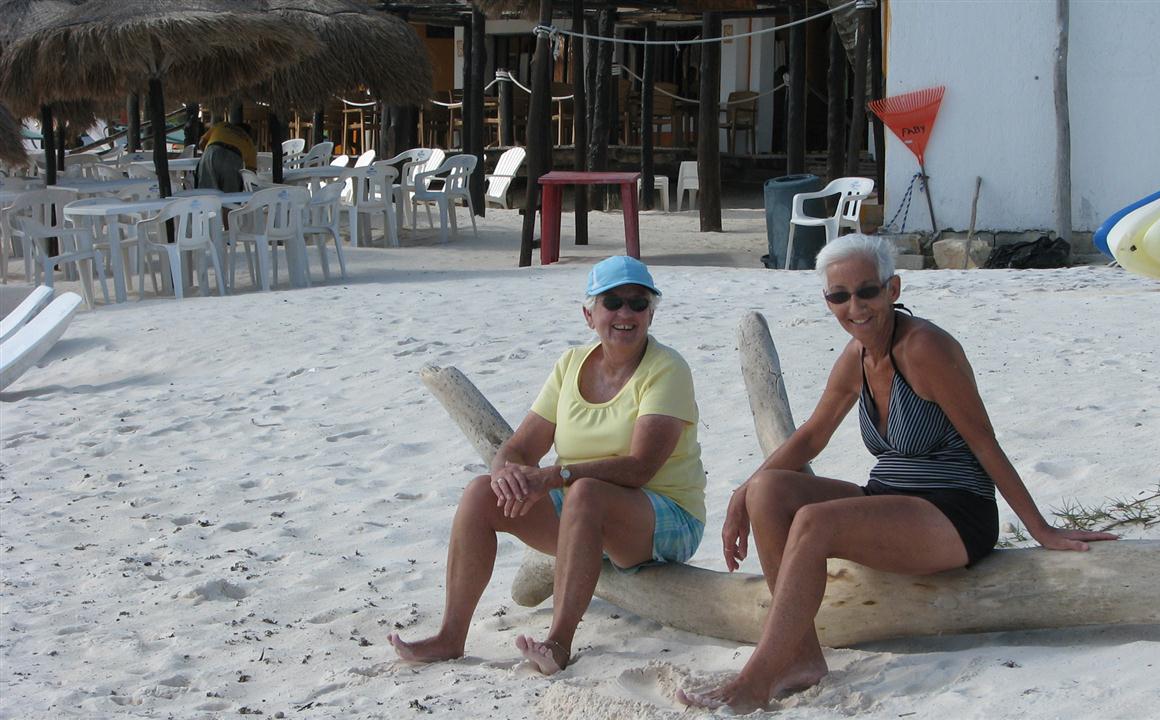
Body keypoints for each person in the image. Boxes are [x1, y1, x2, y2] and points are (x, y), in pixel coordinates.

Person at [679, 234, 1117, 713]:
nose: (855, 307)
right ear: (827, 300)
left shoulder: (924, 347)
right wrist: (741, 495)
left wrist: (1041, 529)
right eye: (839, 296)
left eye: (866, 291)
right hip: (889, 499)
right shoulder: (857, 356)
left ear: (893, 289)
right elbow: (813, 435)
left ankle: (755, 680)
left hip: (955, 512)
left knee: (814, 521)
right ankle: (800, 658)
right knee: (767, 491)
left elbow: (984, 441)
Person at [388, 256, 706, 674]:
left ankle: (558, 642)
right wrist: (506, 473)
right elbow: (520, 447)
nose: (626, 313)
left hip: (666, 516)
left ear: (651, 313)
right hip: (583, 512)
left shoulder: (667, 368)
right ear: (589, 315)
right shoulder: (571, 363)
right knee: (480, 493)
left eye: (638, 303)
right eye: (613, 302)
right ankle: (451, 636)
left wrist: (556, 476)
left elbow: (640, 468)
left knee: (585, 493)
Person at [194, 121, 255, 192]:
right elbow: (251, 172)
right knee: (230, 195)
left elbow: (201, 142)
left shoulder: (221, 125)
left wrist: (206, 155)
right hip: (234, 157)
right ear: (248, 133)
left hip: (212, 150)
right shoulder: (249, 141)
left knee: (206, 191)